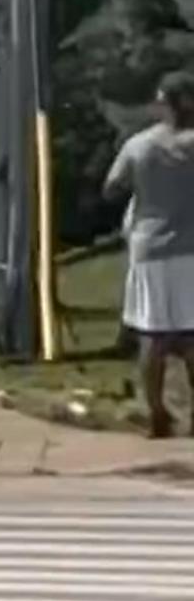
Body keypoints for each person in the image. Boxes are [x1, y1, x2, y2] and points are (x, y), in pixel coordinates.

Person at [105, 72, 194, 438]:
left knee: (152, 335)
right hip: (191, 248)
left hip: (148, 248)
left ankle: (157, 412)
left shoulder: (138, 145)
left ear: (161, 104)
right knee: (192, 336)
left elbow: (111, 188)